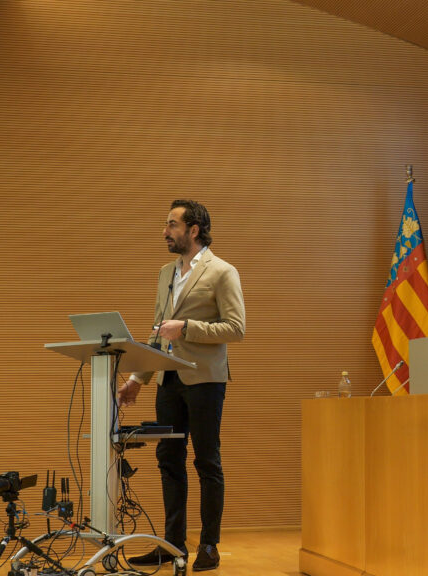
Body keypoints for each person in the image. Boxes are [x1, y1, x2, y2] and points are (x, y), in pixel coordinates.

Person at [118, 199, 246, 571]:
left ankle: (208, 546)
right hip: (168, 378)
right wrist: (137, 378)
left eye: (172, 224)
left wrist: (186, 328)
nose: (165, 232)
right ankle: (172, 545)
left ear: (194, 229)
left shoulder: (222, 271)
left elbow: (236, 328)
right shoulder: (166, 273)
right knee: (168, 461)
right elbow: (158, 330)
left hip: (205, 379)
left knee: (207, 461)